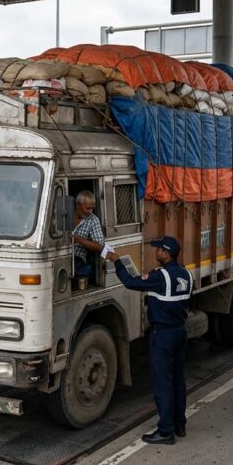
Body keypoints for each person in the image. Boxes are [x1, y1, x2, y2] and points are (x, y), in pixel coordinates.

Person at [106, 236, 193, 445]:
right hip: (180, 332)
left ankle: (165, 431)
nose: (155, 253)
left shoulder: (160, 276)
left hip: (163, 335)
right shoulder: (187, 274)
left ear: (166, 253)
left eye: (158, 250)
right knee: (178, 381)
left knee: (163, 384)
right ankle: (179, 425)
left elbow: (130, 282)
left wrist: (116, 261)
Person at [72, 190, 104, 281]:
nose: (90, 211)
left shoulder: (93, 220)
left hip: (77, 258)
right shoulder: (64, 214)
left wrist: (79, 239)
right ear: (78, 205)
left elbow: (99, 246)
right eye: (87, 208)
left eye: (92, 208)